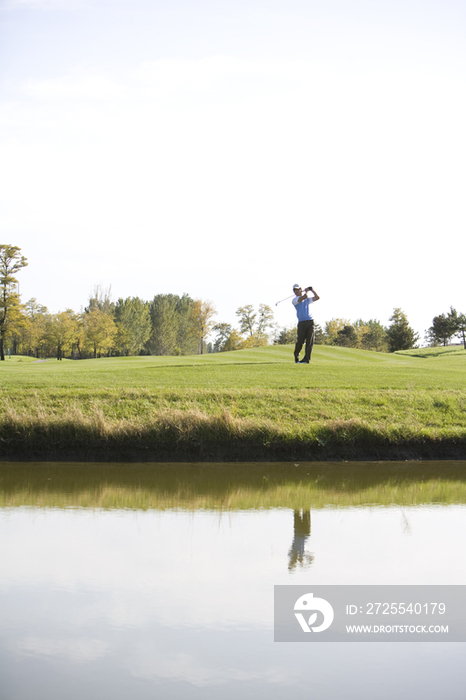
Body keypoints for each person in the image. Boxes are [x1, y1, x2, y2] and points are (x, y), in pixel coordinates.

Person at [292, 284, 320, 363]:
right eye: (295, 290)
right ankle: (296, 355)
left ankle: (306, 359)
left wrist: (312, 290)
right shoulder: (295, 299)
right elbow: (303, 298)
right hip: (301, 323)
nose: (296, 291)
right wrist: (307, 292)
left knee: (309, 341)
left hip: (310, 322)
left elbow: (317, 297)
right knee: (300, 341)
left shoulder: (307, 299)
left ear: (301, 289)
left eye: (298, 289)